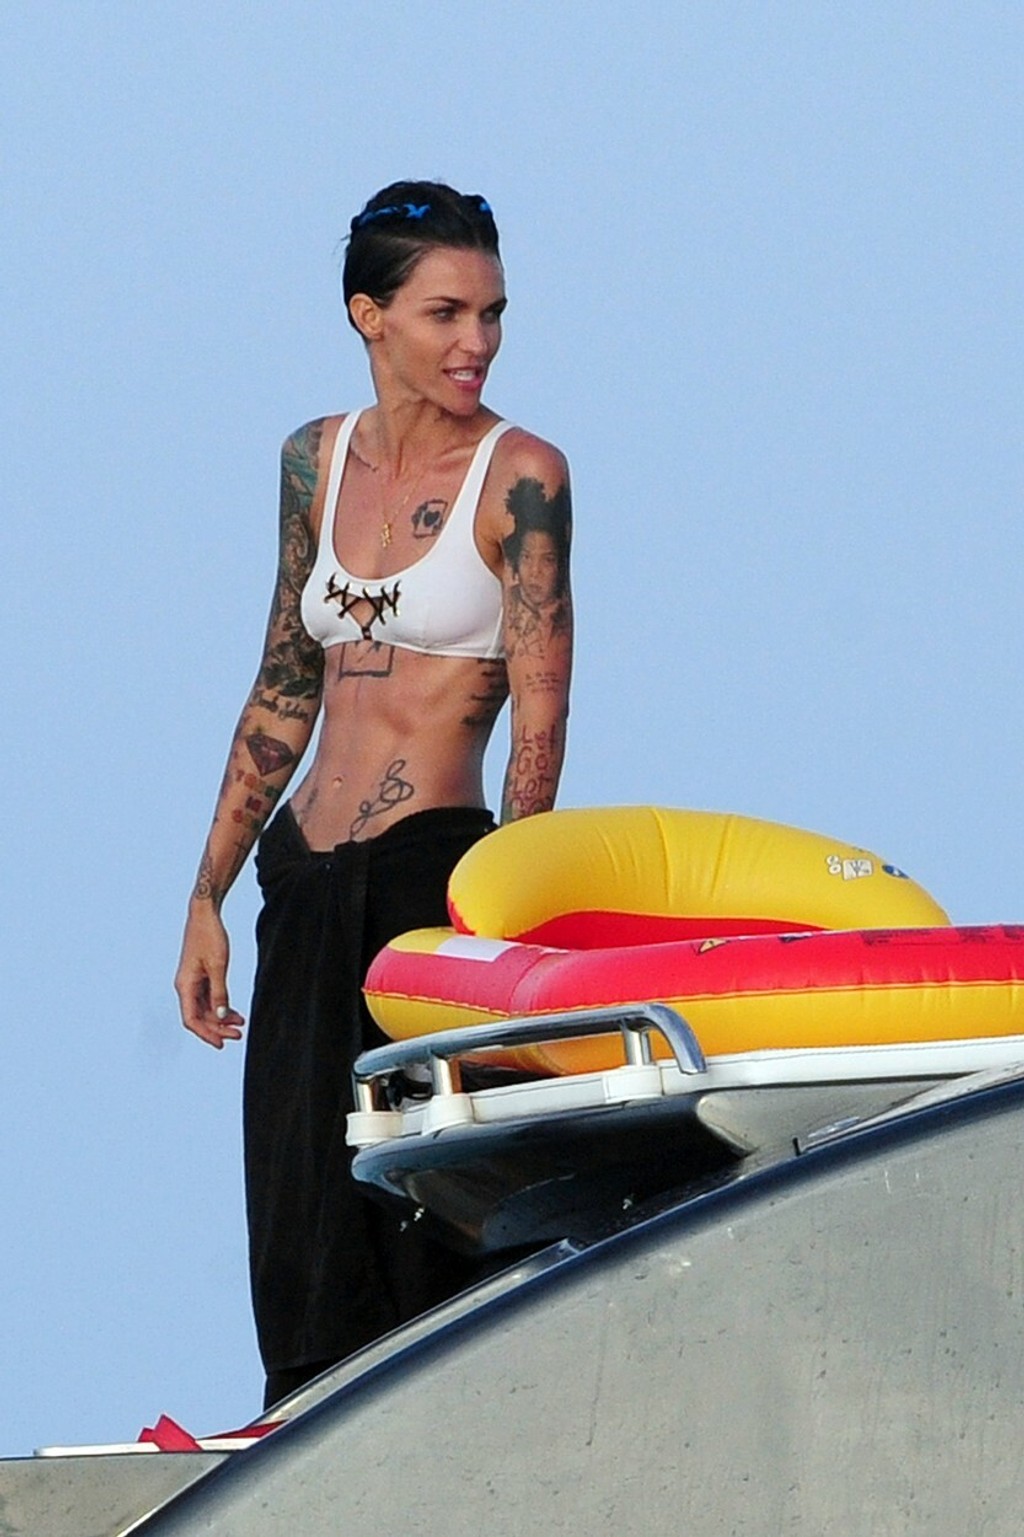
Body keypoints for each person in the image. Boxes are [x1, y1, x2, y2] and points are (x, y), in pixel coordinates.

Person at [173, 181, 573, 1408]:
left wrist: (502, 924)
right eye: (447, 312)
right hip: (303, 869)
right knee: (296, 1184)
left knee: (418, 1184)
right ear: (369, 315)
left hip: (429, 868)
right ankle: (304, 1427)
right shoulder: (314, 458)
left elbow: (541, 715)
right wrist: (207, 894)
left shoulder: (522, 475)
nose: (476, 341)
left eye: (492, 314)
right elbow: (283, 682)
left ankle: (439, 1419)